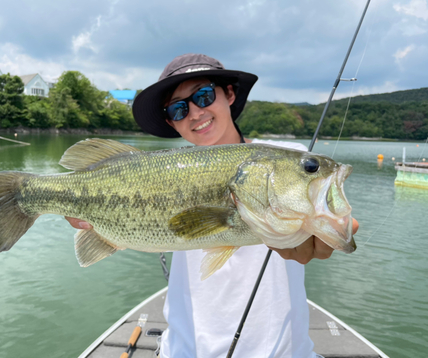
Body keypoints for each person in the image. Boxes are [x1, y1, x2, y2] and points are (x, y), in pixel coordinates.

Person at [66, 53, 359, 358]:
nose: (194, 113)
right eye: (179, 109)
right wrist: (94, 219)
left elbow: (342, 226)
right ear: (171, 121)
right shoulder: (159, 172)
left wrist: (326, 234)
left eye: (203, 96)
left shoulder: (291, 156)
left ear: (229, 94)